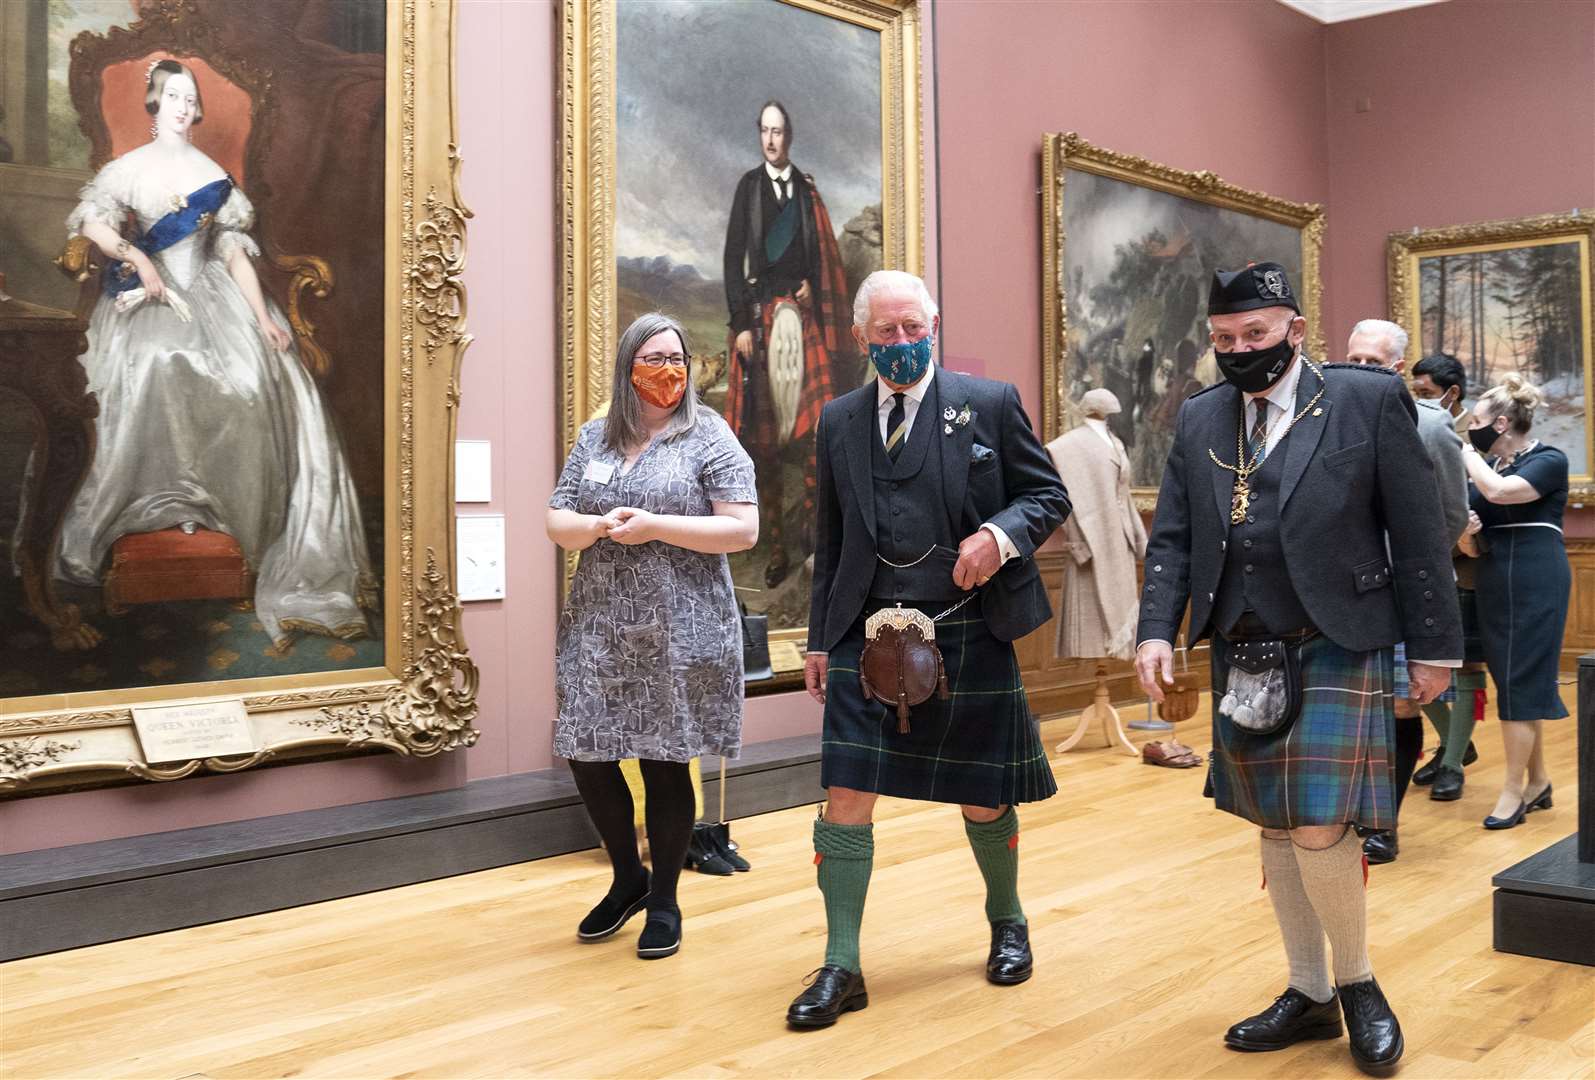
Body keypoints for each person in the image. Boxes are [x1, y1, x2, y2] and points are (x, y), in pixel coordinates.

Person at [1135, 263, 1460, 1071]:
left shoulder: (1363, 398)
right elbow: (1172, 535)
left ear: (1293, 329)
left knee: (1319, 821)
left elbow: (1417, 532)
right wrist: (1154, 630)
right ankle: (1307, 993)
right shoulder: (1204, 415)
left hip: (1337, 633)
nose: (1238, 351)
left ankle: (1356, 984)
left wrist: (1433, 647)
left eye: (1254, 335)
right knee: (1274, 822)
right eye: (1222, 340)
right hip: (1242, 644)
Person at [787, 270, 1068, 1028]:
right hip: (865, 631)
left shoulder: (988, 404)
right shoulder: (839, 419)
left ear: (934, 323)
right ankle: (841, 964)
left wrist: (998, 536)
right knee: (844, 796)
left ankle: (1006, 921)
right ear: (860, 337)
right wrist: (819, 640)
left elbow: (1047, 495)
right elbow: (832, 539)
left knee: (982, 793)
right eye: (887, 332)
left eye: (914, 329)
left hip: (967, 624)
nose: (903, 344)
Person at [56, 60, 374, 646]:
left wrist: (261, 319)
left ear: (197, 107)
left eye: (188, 97)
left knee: (252, 377)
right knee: (156, 366)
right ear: (154, 103)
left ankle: (224, 513)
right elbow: (95, 226)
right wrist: (142, 259)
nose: (181, 105)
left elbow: (231, 255)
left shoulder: (212, 177)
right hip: (148, 301)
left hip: (213, 298)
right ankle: (152, 504)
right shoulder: (129, 169)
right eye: (171, 95)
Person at [547, 312, 759, 959]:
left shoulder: (709, 435)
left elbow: (742, 529)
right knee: (586, 749)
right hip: (601, 624)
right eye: (653, 357)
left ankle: (664, 900)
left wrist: (657, 525)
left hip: (681, 626)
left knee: (667, 759)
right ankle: (627, 878)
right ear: (627, 367)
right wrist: (595, 526)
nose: (668, 369)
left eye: (677, 357)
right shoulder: (595, 438)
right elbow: (557, 516)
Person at [1343, 320, 1469, 862]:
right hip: (1341, 591)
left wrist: (1415, 564)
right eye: (1353, 359)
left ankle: (1383, 824)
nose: (1361, 370)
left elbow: (1452, 513)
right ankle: (1342, 813)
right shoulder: (1330, 416)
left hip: (1399, 588)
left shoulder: (1431, 425)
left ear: (1397, 368)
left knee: (1398, 708)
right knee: (1348, 710)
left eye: (1372, 362)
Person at [722, 100, 853, 588]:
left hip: (802, 323)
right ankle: (776, 546)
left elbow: (824, 262)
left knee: (821, 431)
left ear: (789, 136)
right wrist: (739, 325)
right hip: (759, 323)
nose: (771, 140)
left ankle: (813, 539)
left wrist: (811, 291)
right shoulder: (749, 188)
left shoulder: (807, 191)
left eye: (778, 132)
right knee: (764, 443)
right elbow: (733, 260)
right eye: (764, 131)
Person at [1459, 373, 1569, 830]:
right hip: (1493, 576)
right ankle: (1539, 779)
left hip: (1535, 575)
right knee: (1512, 681)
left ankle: (1512, 792)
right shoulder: (1493, 471)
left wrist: (1465, 454)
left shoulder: (1548, 459)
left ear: (1502, 423)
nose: (1472, 428)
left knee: (1521, 680)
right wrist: (1466, 531)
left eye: (1478, 421)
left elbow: (1501, 494)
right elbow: (1469, 548)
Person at [1408, 353, 1486, 799]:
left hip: (1470, 568)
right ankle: (1458, 744)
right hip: (1428, 564)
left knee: (1466, 665)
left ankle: (1453, 762)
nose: (1418, 399)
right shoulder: (1411, 424)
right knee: (1412, 666)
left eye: (1425, 392)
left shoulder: (1474, 433)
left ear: (1451, 393)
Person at [1045, 388, 1146, 661]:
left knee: (1119, 623)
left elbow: (1124, 496)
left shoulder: (1116, 443)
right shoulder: (1066, 447)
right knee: (1094, 636)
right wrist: (1077, 543)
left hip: (1119, 546)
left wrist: (1138, 540)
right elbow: (1060, 500)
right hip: (1089, 549)